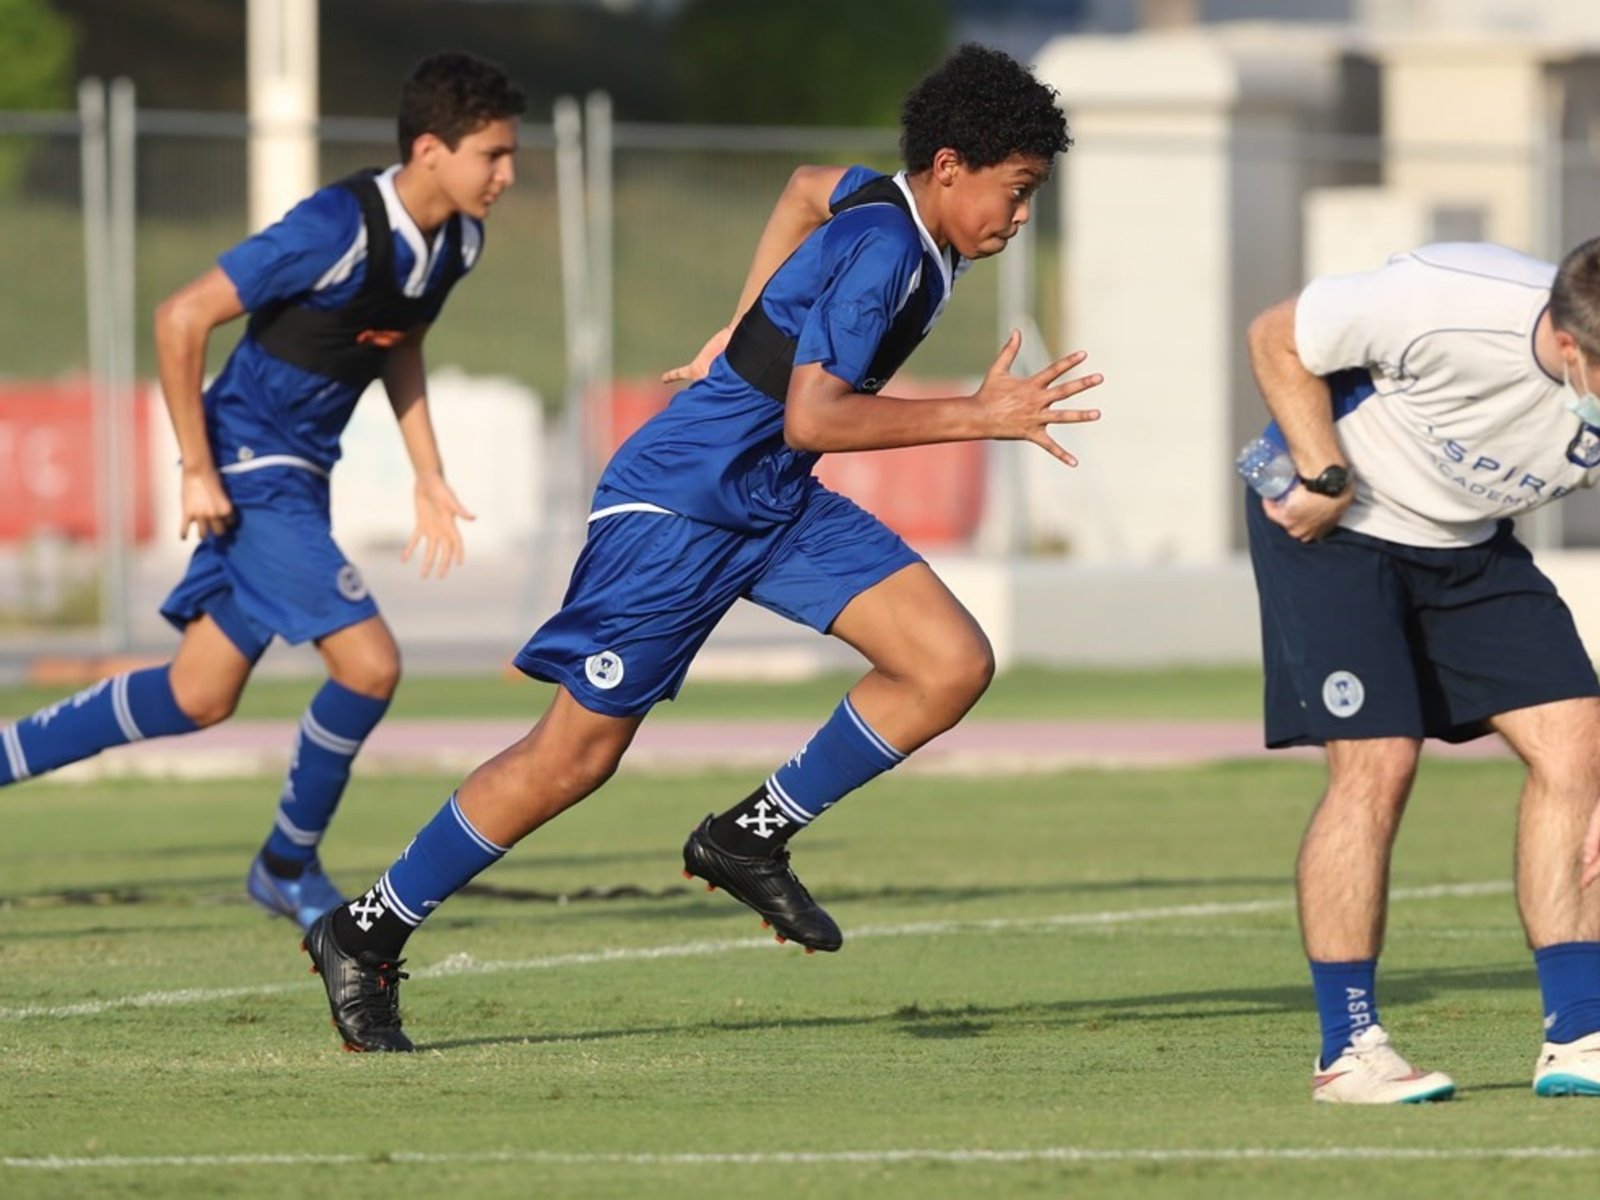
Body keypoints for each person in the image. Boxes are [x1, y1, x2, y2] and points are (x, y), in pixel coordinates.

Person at [301, 42, 1099, 1052]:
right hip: (678, 504)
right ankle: (364, 931)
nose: (1020, 216)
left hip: (770, 498)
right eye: (1016, 190)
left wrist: (741, 320)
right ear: (949, 167)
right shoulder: (891, 253)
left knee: (947, 662)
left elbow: (807, 189)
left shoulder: (884, 201)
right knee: (573, 755)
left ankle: (745, 835)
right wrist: (975, 415)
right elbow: (814, 416)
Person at [0, 51, 525, 931]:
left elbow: (397, 340)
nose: (508, 176)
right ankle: (287, 864)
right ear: (431, 149)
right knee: (371, 664)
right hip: (249, 465)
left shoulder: (458, 240)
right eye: (493, 156)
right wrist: (198, 466)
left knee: (197, 694)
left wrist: (427, 473)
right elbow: (180, 316)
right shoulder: (334, 226)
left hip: (300, 475)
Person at [1244, 238, 1600, 1103]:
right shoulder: (1448, 298)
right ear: (1569, 346)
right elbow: (1275, 336)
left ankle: (1580, 1033)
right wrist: (1322, 471)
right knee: (1380, 759)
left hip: (1470, 546)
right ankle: (1349, 1050)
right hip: (1338, 526)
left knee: (1578, 749)